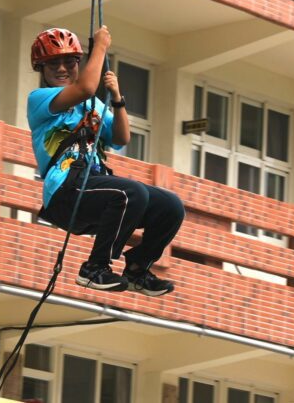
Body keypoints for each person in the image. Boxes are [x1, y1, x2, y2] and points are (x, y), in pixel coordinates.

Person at [28, 26, 183, 295]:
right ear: (41, 68)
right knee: (130, 193)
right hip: (64, 191)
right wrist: (99, 46)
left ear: (78, 64)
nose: (62, 68)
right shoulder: (40, 99)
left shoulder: (93, 106)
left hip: (93, 186)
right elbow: (86, 87)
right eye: (53, 63)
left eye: (69, 62)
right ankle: (94, 268)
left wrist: (118, 100)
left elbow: (121, 137)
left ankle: (137, 269)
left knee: (170, 206)